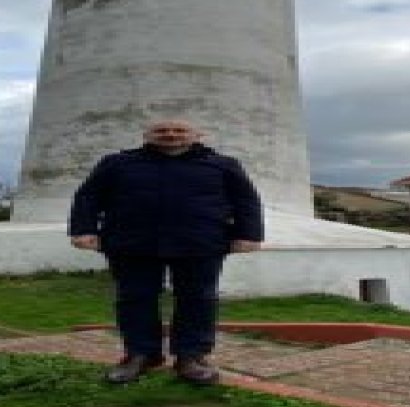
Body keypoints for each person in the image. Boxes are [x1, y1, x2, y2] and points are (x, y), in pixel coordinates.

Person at [69, 119, 264, 385]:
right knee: (134, 298)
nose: (170, 135)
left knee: (198, 299)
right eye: (161, 131)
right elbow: (88, 197)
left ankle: (191, 357)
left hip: (199, 242)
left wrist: (249, 234)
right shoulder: (117, 163)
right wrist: (83, 229)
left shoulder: (223, 164)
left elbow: (246, 200)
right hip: (131, 241)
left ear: (197, 134)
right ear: (147, 135)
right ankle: (140, 355)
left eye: (179, 130)